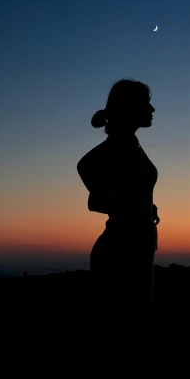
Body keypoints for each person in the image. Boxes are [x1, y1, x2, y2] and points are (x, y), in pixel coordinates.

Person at [77, 78, 160, 310]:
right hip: (123, 251)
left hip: (136, 245)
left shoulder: (129, 143)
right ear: (129, 107)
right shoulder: (117, 147)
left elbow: (129, 185)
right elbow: (84, 165)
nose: (152, 109)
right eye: (146, 103)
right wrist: (113, 204)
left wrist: (145, 205)